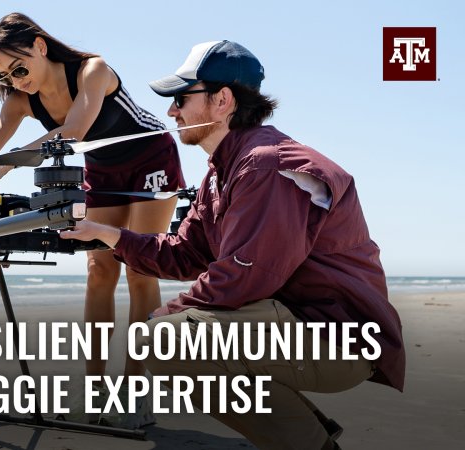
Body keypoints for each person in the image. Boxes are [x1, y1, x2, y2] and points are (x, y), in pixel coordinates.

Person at [61, 40, 406, 449]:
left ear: (222, 100)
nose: (171, 112)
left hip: (338, 337)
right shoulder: (223, 172)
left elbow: (246, 274)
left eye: (181, 98)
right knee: (166, 337)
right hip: (297, 323)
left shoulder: (267, 163)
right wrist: (108, 234)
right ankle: (309, 437)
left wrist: (165, 314)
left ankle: (311, 444)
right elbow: (184, 253)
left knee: (162, 340)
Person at [0, 13, 185, 428]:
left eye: (19, 68)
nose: (16, 81)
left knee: (140, 270)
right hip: (103, 171)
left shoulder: (93, 70)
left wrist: (5, 165)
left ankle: (135, 391)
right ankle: (94, 389)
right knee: (98, 269)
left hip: (151, 156)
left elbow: (74, 130)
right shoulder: (22, 99)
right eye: (5, 76)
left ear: (40, 47)